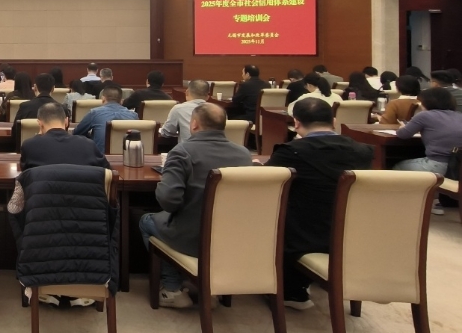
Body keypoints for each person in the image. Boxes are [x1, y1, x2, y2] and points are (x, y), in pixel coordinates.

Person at [139, 103, 252, 308]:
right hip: (230, 237)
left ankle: (172, 288)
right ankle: (205, 285)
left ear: (194, 125)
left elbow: (168, 201)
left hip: (191, 237)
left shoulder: (182, 152)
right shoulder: (244, 154)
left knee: (146, 220)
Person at [266, 98, 374, 309]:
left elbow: (265, 184)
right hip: (352, 235)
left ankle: (290, 289)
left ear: (296, 123)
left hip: (304, 236)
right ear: (334, 121)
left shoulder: (292, 152)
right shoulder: (364, 152)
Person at [395, 88, 462, 215]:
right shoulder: (459, 115)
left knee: (396, 166)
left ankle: (413, 204)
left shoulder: (424, 115)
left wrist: (404, 127)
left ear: (426, 102)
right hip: (457, 167)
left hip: (438, 165)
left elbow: (402, 134)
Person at [20, 101, 109, 170]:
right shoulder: (88, 144)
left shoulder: (29, 145)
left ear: (39, 123)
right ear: (66, 121)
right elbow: (108, 172)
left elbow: (26, 174)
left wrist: (38, 137)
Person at [73, 85, 138, 153]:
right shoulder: (134, 115)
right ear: (122, 101)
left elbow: (76, 133)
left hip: (100, 157)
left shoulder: (94, 113)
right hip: (128, 157)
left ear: (103, 99)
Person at [160, 79, 210, 144]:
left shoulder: (178, 109)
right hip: (214, 149)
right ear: (207, 97)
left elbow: (166, 132)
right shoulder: (217, 111)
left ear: (187, 92)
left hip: (188, 149)